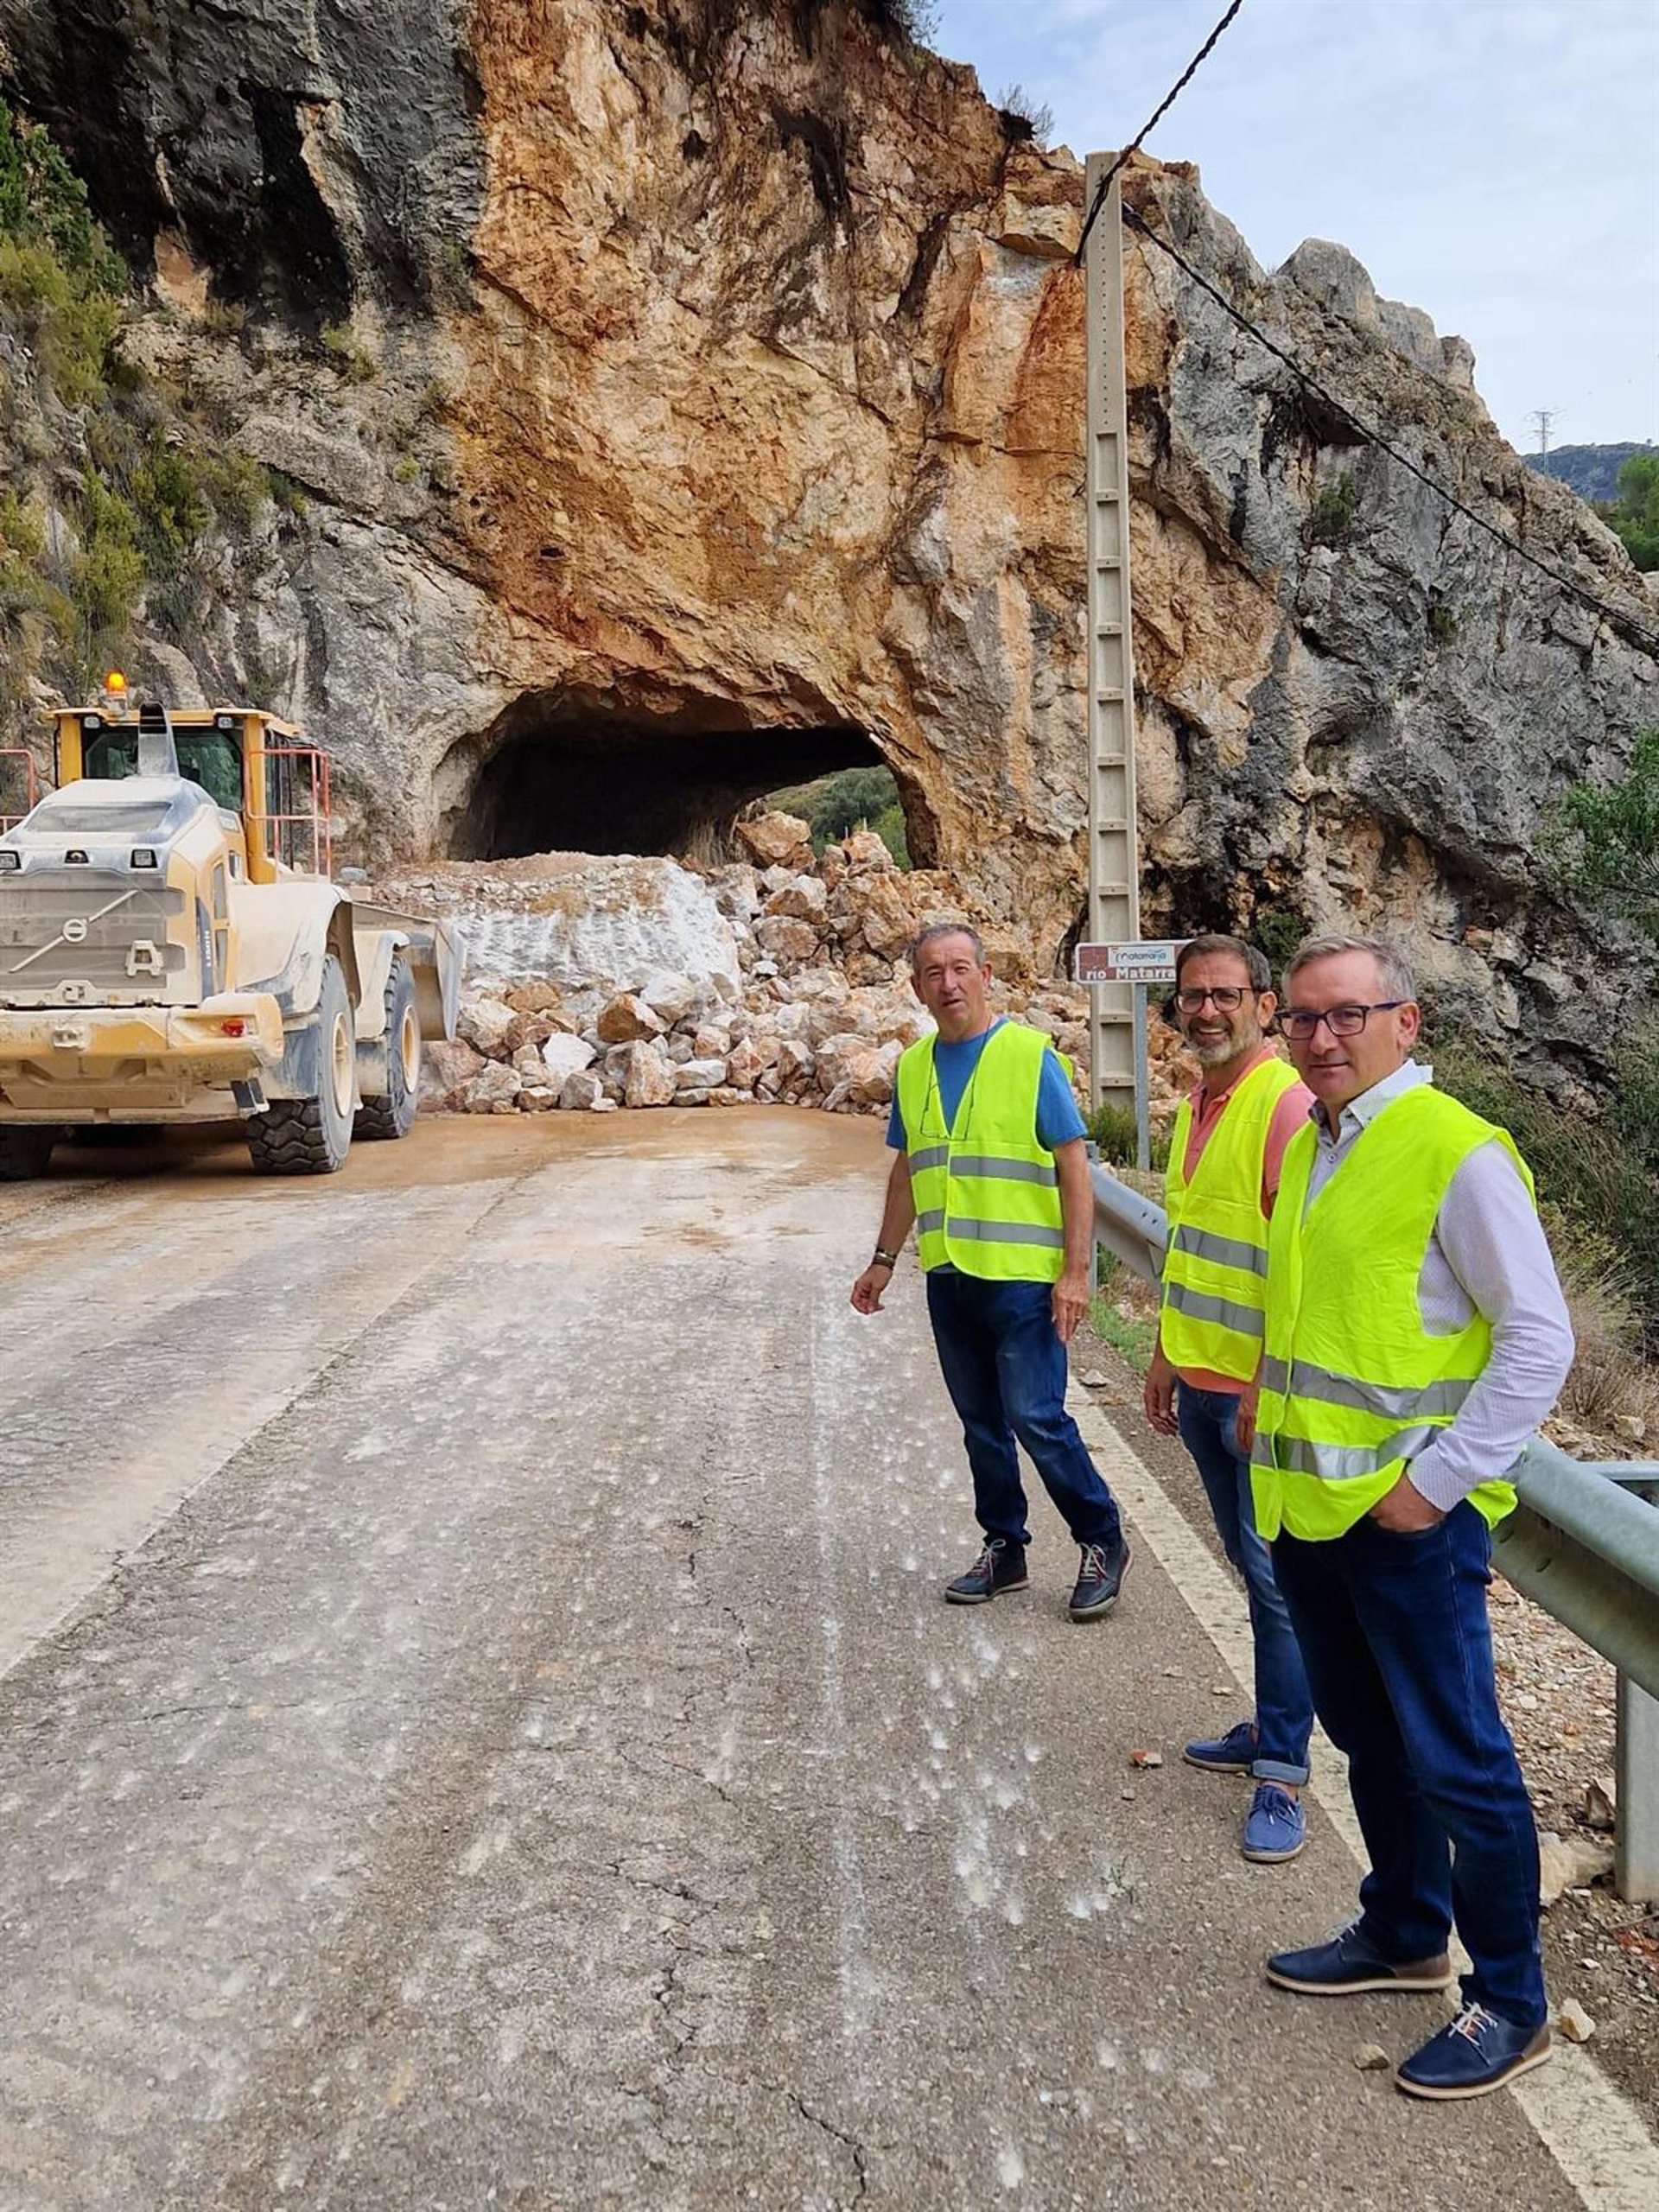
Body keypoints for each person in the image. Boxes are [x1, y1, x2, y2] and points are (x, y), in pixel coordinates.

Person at [1245, 933, 1574, 2101]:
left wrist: (1434, 1485)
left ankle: (1514, 2003)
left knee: (1460, 1762)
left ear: (1406, 1022)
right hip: (1312, 1510)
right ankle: (1402, 1929)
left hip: (1410, 1525)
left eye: (1348, 1014)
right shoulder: (1320, 1139)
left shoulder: (1454, 1149)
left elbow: (1539, 1340)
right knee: (1367, 1736)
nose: (1322, 1037)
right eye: (1303, 1018)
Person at [850, 923, 1129, 1620]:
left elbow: (1073, 1167)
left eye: (960, 969)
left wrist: (1075, 1272)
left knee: (1035, 1416)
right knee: (980, 1423)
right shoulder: (913, 1067)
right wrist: (884, 1259)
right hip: (950, 1275)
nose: (948, 984)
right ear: (917, 988)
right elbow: (909, 1169)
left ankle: (1101, 1537)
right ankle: (1005, 1548)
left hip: (1023, 1279)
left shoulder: (1030, 1057)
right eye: (933, 973)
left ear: (986, 975)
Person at [1142, 934, 1318, 1866]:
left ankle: (1283, 1770)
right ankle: (1271, 1721)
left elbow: (1298, 1265)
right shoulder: (1198, 1104)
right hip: (1202, 1381)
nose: (1206, 1011)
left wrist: (1264, 1383)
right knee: (1253, 1575)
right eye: (1192, 997)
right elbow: (1191, 1245)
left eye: (1224, 995)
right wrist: (1166, 1353)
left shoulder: (1281, 1104)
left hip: (1254, 1398)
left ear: (1262, 1005)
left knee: (1277, 1585)